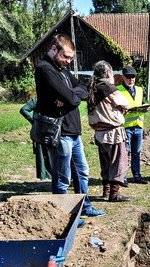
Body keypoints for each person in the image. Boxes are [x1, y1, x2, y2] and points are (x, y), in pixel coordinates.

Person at [34, 34, 105, 217]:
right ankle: (64, 216)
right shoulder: (45, 69)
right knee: (62, 176)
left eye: (71, 58)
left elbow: (82, 88)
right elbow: (73, 98)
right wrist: (70, 96)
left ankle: (85, 206)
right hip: (59, 132)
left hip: (73, 131)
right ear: (53, 49)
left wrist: (69, 96)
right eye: (65, 56)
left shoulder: (62, 69)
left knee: (82, 171)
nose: (68, 61)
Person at [87, 61, 131, 202]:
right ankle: (114, 193)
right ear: (108, 73)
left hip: (99, 131)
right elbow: (125, 103)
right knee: (118, 161)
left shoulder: (92, 87)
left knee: (105, 162)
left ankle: (106, 190)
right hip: (112, 131)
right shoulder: (108, 87)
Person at [116, 66, 149, 184]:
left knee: (136, 153)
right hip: (125, 127)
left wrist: (145, 108)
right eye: (128, 78)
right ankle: (123, 178)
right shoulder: (118, 90)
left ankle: (137, 176)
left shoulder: (139, 90)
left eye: (133, 77)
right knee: (124, 153)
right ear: (123, 78)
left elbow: (143, 103)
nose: (131, 80)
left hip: (138, 126)